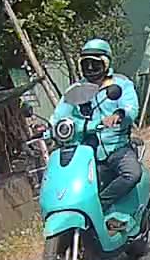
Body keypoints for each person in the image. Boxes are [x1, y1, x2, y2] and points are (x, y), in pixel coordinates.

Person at [50, 38, 140, 211]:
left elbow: (131, 108)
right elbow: (60, 114)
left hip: (116, 147)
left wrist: (119, 115)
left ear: (106, 63)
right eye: (86, 64)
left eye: (95, 64)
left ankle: (101, 206)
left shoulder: (120, 84)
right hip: (84, 151)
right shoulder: (77, 90)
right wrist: (48, 128)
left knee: (132, 174)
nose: (90, 68)